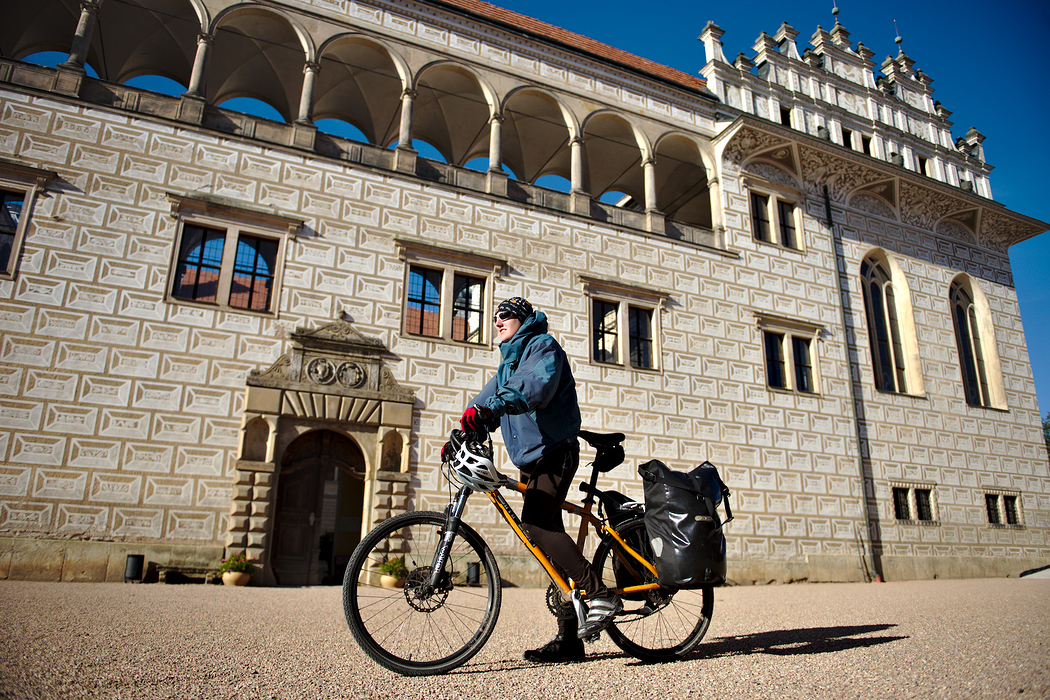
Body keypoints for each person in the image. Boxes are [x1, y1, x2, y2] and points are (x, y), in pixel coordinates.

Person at [459, 296, 622, 663]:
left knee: (535, 524)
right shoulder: (507, 364)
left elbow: (534, 387)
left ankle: (600, 594)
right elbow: (482, 402)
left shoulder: (541, 347)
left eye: (505, 315)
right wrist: (461, 431)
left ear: (523, 319)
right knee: (548, 544)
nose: (497, 321)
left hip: (555, 452)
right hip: (532, 460)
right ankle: (569, 639)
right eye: (495, 317)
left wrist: (491, 408)